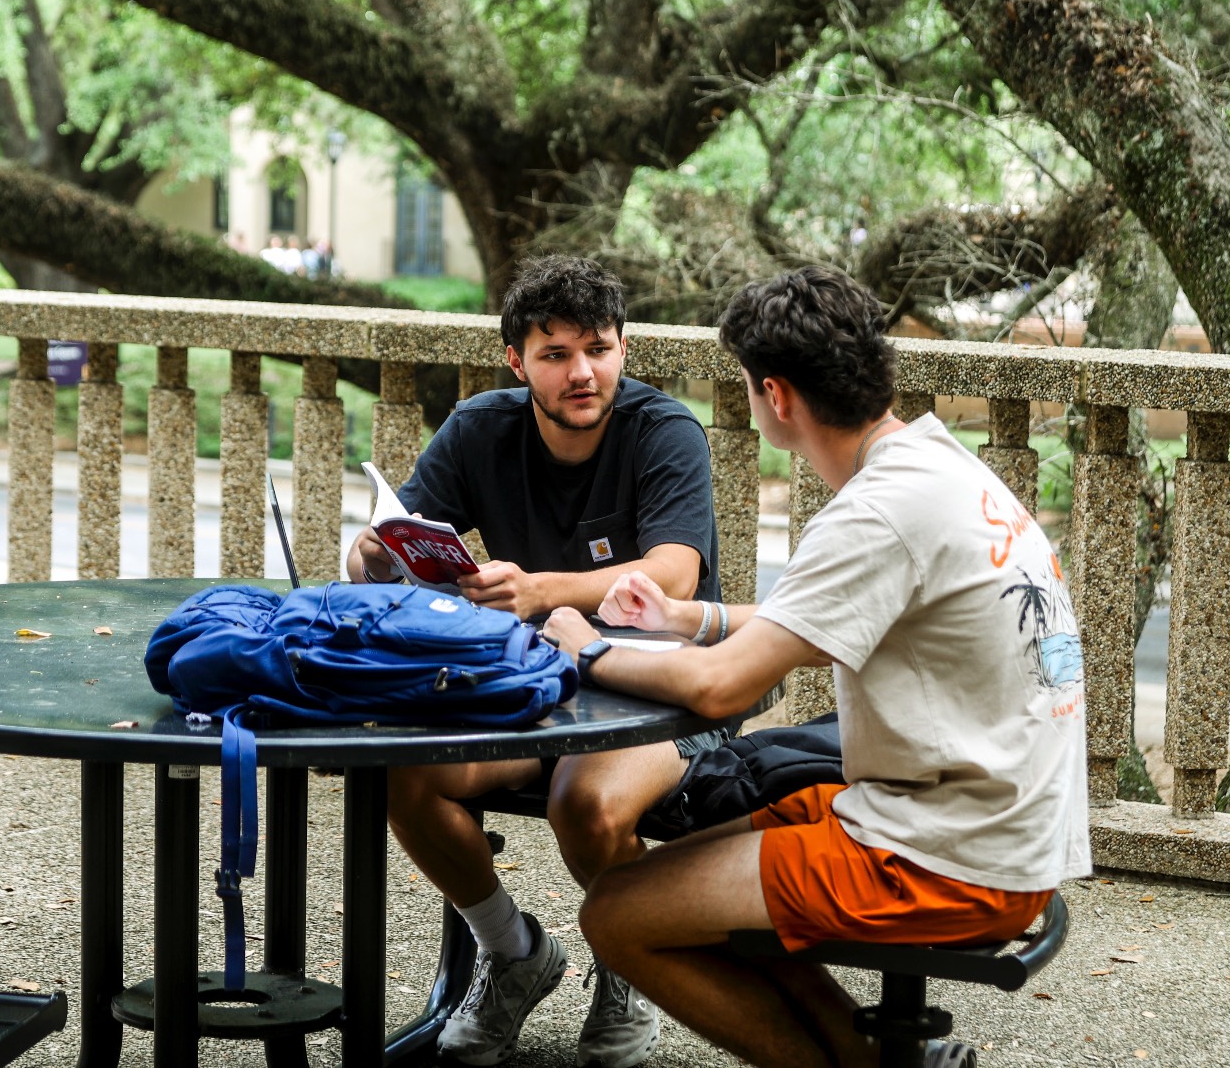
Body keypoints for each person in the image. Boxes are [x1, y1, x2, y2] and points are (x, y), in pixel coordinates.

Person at [543, 266, 1090, 1068]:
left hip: (950, 856)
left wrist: (587, 648)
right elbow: (809, 619)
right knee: (692, 887)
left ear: (777, 395)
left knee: (616, 913)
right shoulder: (935, 466)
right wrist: (683, 618)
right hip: (990, 822)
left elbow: (721, 685)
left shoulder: (876, 512)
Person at [347, 254, 721, 1068]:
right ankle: (513, 951)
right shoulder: (480, 428)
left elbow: (674, 575)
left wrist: (541, 589)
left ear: (624, 348)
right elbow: (388, 541)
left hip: (658, 696)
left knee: (581, 801)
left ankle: (626, 962)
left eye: (599, 348)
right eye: (556, 354)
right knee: (407, 774)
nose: (583, 371)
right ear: (517, 362)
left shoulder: (665, 431)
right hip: (529, 688)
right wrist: (375, 554)